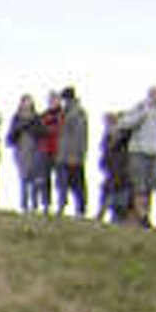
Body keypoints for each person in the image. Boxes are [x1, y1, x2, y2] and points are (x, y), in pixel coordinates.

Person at [113, 85, 156, 226]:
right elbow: (124, 122)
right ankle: (141, 216)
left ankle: (144, 215)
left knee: (149, 187)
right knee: (139, 186)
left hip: (154, 154)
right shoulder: (141, 107)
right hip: (139, 152)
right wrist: (139, 117)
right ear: (151, 95)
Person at [54, 86, 89, 217]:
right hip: (62, 154)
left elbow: (80, 136)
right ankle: (61, 206)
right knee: (61, 183)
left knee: (77, 185)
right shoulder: (64, 112)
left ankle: (81, 210)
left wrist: (79, 155)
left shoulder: (79, 113)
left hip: (74, 156)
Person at [6, 94, 44, 214]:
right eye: (25, 102)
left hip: (34, 150)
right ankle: (24, 205)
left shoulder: (36, 118)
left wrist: (32, 128)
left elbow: (42, 132)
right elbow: (10, 135)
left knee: (34, 178)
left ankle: (34, 204)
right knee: (23, 178)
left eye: (29, 102)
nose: (27, 104)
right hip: (20, 150)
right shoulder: (16, 117)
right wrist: (20, 128)